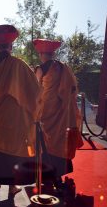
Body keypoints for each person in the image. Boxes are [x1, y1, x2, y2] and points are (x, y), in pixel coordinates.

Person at [0, 25, 41, 195]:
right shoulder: (20, 65)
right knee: (14, 152)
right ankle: (13, 186)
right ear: (11, 47)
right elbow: (35, 91)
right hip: (15, 120)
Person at [33, 38, 83, 189]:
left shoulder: (40, 69)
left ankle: (46, 178)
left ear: (42, 54)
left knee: (44, 145)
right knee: (60, 143)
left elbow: (35, 91)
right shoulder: (64, 68)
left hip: (45, 113)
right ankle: (57, 176)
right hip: (62, 115)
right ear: (53, 53)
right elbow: (73, 90)